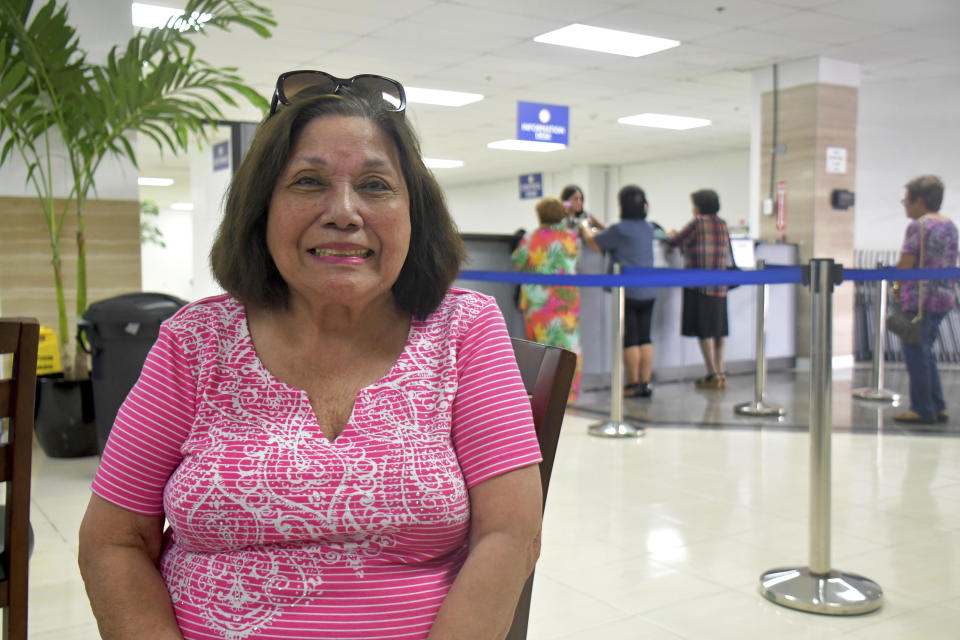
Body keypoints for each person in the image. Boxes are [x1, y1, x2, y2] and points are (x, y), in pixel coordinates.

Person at [77, 71, 544, 640]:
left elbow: (510, 534)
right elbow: (113, 540)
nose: (344, 212)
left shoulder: (463, 328)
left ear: (412, 213)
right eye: (307, 182)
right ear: (261, 209)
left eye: (375, 185)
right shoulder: (196, 341)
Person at [892, 175, 957, 425]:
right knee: (926, 352)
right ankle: (937, 405)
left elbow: (907, 262)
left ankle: (922, 408)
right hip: (943, 298)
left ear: (919, 200)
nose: (905, 205)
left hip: (919, 300)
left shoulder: (918, 226)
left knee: (915, 353)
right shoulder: (950, 225)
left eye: (906, 200)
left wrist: (897, 285)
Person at [580, 185, 658, 397]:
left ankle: (632, 384)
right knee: (645, 337)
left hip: (628, 292)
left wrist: (585, 227)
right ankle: (645, 383)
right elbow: (618, 236)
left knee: (630, 338)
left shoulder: (619, 229)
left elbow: (593, 243)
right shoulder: (648, 228)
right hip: (649, 290)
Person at [511, 196, 582, 401]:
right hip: (566, 299)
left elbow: (518, 261)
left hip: (538, 301)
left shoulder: (532, 237)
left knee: (540, 346)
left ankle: (542, 394)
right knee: (567, 346)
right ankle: (568, 394)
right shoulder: (571, 236)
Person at [666, 189, 732, 389]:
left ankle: (711, 373)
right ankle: (720, 372)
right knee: (719, 330)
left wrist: (670, 233)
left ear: (699, 206)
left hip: (700, 286)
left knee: (704, 331)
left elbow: (675, 240)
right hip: (720, 286)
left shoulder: (698, 222)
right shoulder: (722, 224)